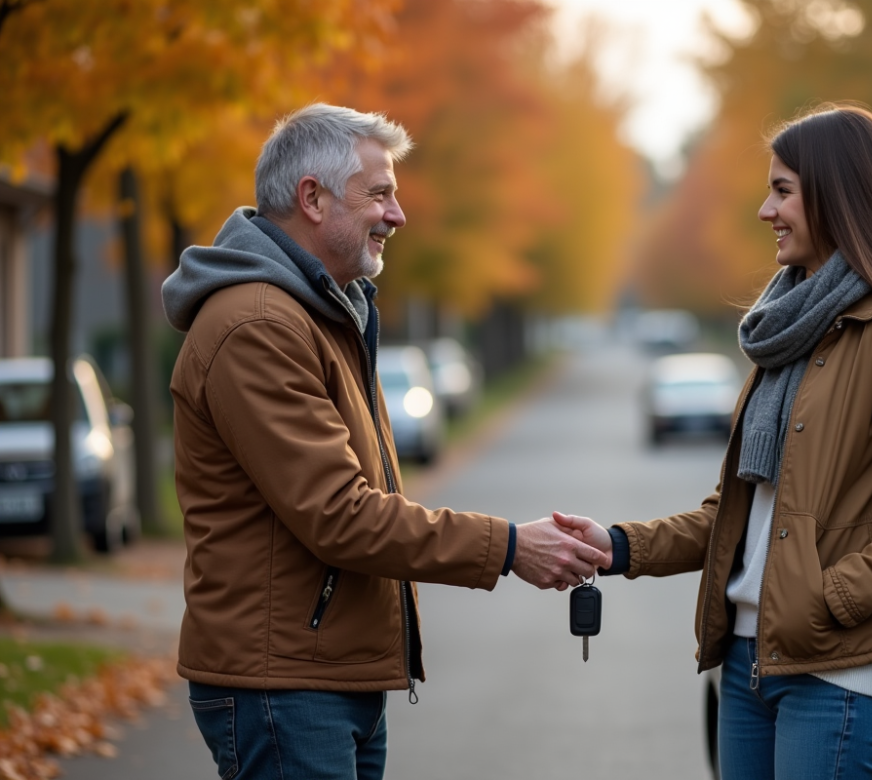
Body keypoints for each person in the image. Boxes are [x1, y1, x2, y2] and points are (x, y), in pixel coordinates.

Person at [161, 103, 609, 780]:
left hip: (324, 676)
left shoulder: (318, 313)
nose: (398, 215)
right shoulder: (258, 326)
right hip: (284, 685)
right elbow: (340, 514)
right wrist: (511, 546)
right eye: (380, 194)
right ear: (311, 198)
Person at [556, 103, 872, 780]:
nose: (766, 210)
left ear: (837, 197)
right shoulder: (782, 333)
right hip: (746, 665)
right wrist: (616, 546)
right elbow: (737, 519)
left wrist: (836, 594)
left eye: (782, 190)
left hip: (836, 676)